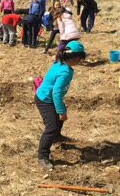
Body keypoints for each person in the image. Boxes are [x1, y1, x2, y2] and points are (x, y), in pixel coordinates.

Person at [35, 41, 86, 170]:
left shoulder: (60, 62)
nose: (81, 61)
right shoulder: (65, 72)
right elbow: (56, 93)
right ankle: (42, 156)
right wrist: (61, 111)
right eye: (81, 58)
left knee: (59, 115)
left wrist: (61, 110)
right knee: (51, 127)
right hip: (45, 99)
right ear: (76, 58)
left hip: (49, 97)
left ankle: (56, 136)